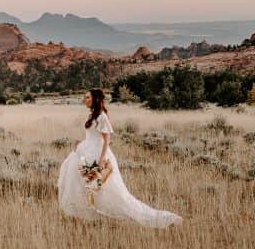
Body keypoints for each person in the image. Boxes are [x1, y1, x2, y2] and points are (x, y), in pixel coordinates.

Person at [56, 88, 181, 228]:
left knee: (112, 191)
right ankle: (90, 216)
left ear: (95, 99)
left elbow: (106, 139)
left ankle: (147, 217)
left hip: (98, 155)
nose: (85, 100)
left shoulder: (102, 116)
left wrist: (101, 160)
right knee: (84, 186)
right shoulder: (92, 115)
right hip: (86, 153)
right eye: (85, 97)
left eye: (87, 98)